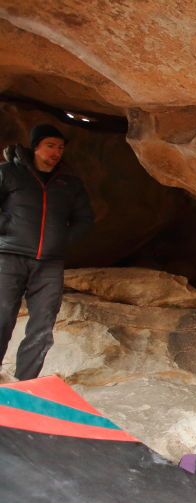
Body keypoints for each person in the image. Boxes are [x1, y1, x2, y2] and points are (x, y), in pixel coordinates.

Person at [0, 124, 94, 381]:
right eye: (51, 145)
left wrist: (61, 241)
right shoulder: (9, 173)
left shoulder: (69, 183)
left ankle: (25, 384)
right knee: (2, 318)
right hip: (10, 257)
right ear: (36, 147)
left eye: (60, 147)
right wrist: (6, 229)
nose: (56, 152)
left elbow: (85, 219)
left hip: (49, 264)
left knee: (42, 327)